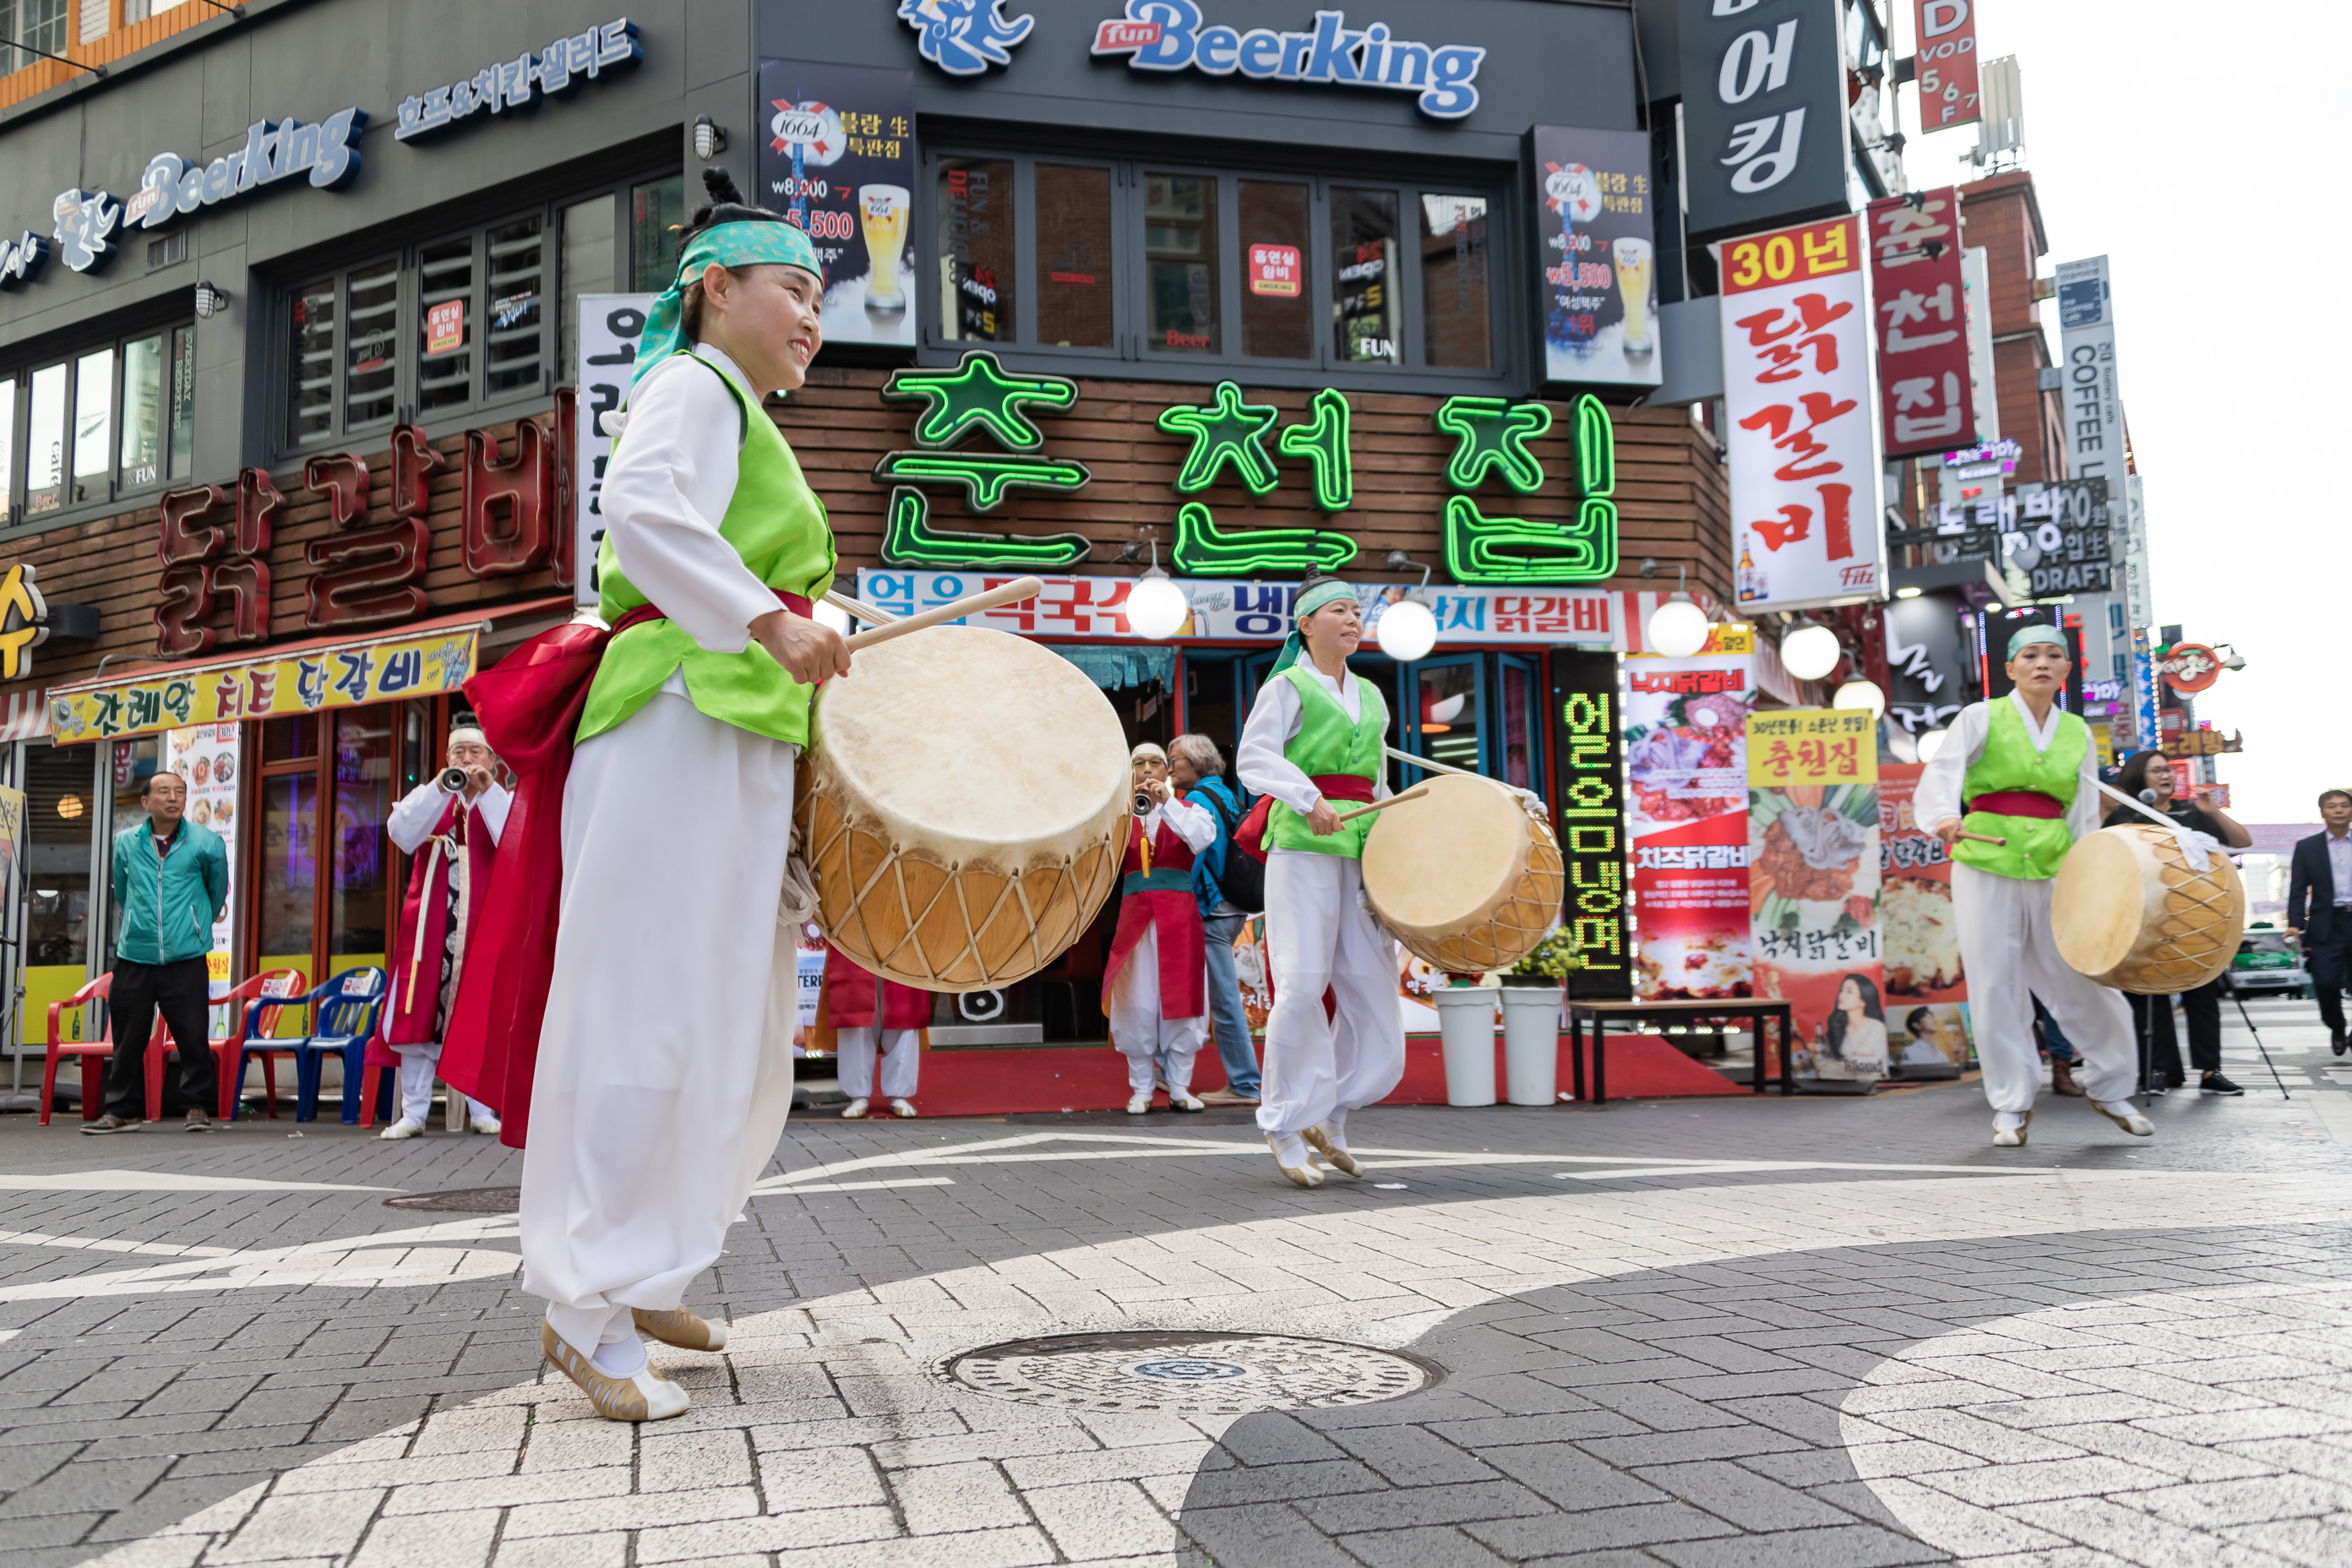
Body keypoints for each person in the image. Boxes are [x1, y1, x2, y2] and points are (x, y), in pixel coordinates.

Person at [497, 168, 852, 1424]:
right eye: (794, 289)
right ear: (716, 287)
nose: (816, 317)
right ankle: (583, 1309)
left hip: (733, 720)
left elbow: (744, 570)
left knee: (729, 1020)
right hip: (675, 713)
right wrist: (763, 614)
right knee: (647, 1006)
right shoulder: (695, 383)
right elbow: (640, 512)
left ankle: (651, 1266)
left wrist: (814, 622)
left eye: (823, 297)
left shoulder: (746, 409)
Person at [1915, 624, 2152, 1147]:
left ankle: (2112, 1087)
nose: (2041, 663)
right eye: (2030, 655)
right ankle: (2011, 1105)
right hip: (1984, 856)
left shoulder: (2077, 733)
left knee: (2083, 972)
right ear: (2010, 668)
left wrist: (2088, 870)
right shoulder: (1981, 716)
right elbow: (1943, 772)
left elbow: (2083, 814)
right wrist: (1942, 820)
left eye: (2053, 656)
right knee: (1994, 982)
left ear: (2067, 670)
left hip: (2053, 862)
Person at [1234, 576, 1407, 1185]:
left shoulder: (1373, 696)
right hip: (1302, 844)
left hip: (1357, 847)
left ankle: (1329, 1111)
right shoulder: (1287, 685)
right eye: (1339, 610)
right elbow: (1253, 759)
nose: (1354, 620)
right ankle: (1283, 1122)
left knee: (1373, 990)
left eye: (1358, 612)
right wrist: (1308, 798)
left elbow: (1377, 785)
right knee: (1302, 984)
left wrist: (1397, 832)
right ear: (1306, 623)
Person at [373, 726, 511, 1139]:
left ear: (491, 759)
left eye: (475, 753)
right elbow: (401, 834)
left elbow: (514, 839)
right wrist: (439, 787)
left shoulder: (502, 798)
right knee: (418, 1008)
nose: (466, 761)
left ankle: (482, 1109)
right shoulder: (432, 795)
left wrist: (487, 792)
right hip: (429, 925)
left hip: (484, 920)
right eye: (458, 753)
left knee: (479, 1011)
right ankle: (413, 1114)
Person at [84, 771, 229, 1134]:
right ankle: (121, 1110)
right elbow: (122, 888)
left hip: (186, 955)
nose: (174, 798)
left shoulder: (206, 842)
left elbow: (217, 891)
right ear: (146, 802)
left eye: (180, 792)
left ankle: (197, 1107)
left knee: (192, 1033)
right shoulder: (126, 842)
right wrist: (140, 923)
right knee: (128, 1037)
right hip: (136, 954)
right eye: (164, 792)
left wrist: (194, 926)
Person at [2104, 749, 2250, 1097]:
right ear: (2140, 778)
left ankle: (2210, 1071)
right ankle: (2158, 1069)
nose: (2166, 776)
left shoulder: (2193, 810)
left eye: (2168, 770)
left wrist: (2213, 812)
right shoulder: (2125, 817)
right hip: (2143, 920)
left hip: (2194, 919)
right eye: (2157, 771)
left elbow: (2243, 841)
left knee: (2203, 992)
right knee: (2148, 996)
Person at [1105, 742, 1217, 1113]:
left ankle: (1180, 1086)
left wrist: (1167, 802)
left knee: (1183, 1000)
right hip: (1135, 917)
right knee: (1136, 1000)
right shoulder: (1116, 816)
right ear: (1130, 771)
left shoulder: (1191, 809)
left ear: (1166, 770)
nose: (1148, 770)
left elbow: (1201, 840)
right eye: (1140, 764)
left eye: (1156, 763)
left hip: (1179, 916)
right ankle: (1141, 1088)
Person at [1168, 732, 1260, 1107]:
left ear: (1197, 763)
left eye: (1176, 760)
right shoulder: (1225, 793)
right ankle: (1165, 1069)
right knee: (1218, 996)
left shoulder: (1195, 800)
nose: (1171, 766)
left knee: (1224, 1001)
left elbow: (1200, 857)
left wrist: (1182, 901)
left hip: (1214, 909)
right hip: (1235, 906)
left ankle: (1244, 1083)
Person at [2286, 787, 2352, 1056]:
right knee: (2324, 982)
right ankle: (2337, 1027)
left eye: (2344, 805)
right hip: (2326, 925)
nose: (2338, 810)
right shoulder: (2307, 847)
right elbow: (2298, 889)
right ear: (2322, 812)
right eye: (2332, 806)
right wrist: (2295, 924)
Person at [825, 946, 923, 1119]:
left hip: (900, 932)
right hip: (853, 931)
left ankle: (899, 1094)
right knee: (856, 1010)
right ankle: (858, 1095)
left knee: (903, 1010)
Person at [1815, 973, 1887, 1082]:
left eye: (1849, 991)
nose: (1841, 995)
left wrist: (1835, 1065)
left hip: (1867, 1080)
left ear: (1863, 1000)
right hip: (1841, 1082)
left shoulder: (1876, 1028)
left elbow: (1871, 1066)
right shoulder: (1837, 1025)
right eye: (1841, 990)